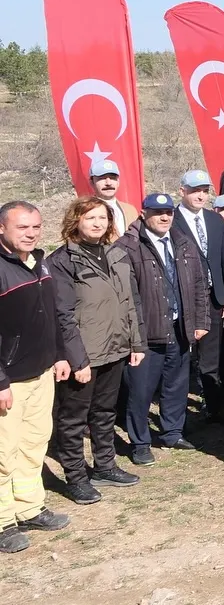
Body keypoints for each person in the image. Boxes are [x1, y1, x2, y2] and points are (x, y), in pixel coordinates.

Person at [45, 198, 143, 505]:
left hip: (115, 348)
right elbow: (62, 315)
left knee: (104, 412)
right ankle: (76, 477)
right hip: (84, 354)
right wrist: (77, 359)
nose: (98, 223)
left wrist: (136, 342)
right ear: (76, 221)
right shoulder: (62, 261)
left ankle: (105, 466)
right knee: (73, 419)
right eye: (90, 218)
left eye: (103, 217)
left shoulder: (116, 253)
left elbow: (131, 301)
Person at [0, 201, 84, 551]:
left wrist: (60, 354)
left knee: (34, 444)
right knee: (4, 452)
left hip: (41, 373)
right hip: (9, 381)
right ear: (2, 229)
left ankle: (29, 507)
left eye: (36, 227)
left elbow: (52, 314)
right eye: (22, 227)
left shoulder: (39, 262)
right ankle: (3, 521)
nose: (31, 233)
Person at [117, 193, 210, 465]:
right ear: (144, 213)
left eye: (168, 212)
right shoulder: (129, 246)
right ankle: (140, 443)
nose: (164, 217)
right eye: (157, 212)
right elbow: (127, 297)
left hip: (179, 328)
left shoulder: (183, 242)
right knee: (140, 392)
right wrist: (134, 335)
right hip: (146, 334)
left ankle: (172, 432)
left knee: (176, 386)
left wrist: (200, 321)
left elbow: (199, 285)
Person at [172, 170, 224, 422]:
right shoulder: (171, 220)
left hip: (213, 298)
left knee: (211, 356)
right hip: (183, 297)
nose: (200, 196)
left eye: (204, 191)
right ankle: (176, 411)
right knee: (180, 357)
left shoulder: (215, 221)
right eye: (195, 191)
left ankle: (213, 406)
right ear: (182, 191)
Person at [87, 159, 138, 232]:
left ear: (118, 182)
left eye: (112, 178)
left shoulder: (130, 210)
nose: (108, 183)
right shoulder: (85, 210)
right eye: (102, 178)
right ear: (92, 183)